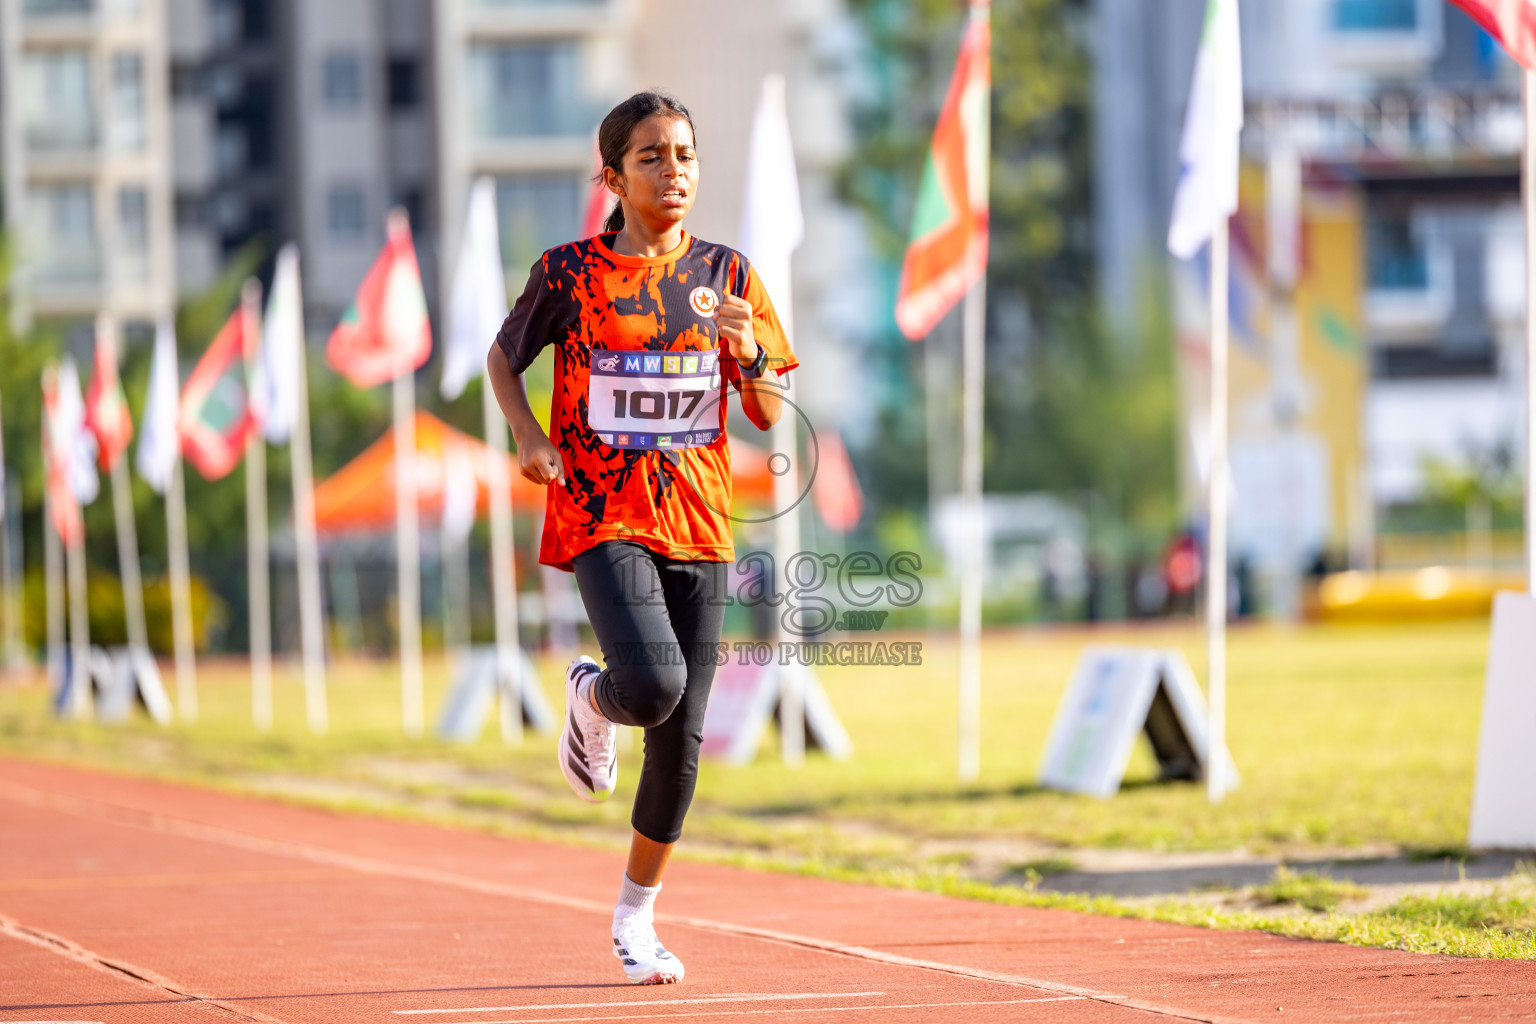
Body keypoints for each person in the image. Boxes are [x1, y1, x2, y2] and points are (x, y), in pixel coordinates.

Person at [486, 91, 797, 986]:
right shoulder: (570, 273)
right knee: (653, 685)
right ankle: (597, 696)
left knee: (684, 735)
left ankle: (636, 918)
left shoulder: (731, 276)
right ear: (613, 174)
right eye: (654, 156)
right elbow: (505, 357)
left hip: (697, 520)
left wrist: (745, 353)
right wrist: (528, 436)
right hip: (600, 511)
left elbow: (769, 413)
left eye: (687, 154)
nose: (675, 171)